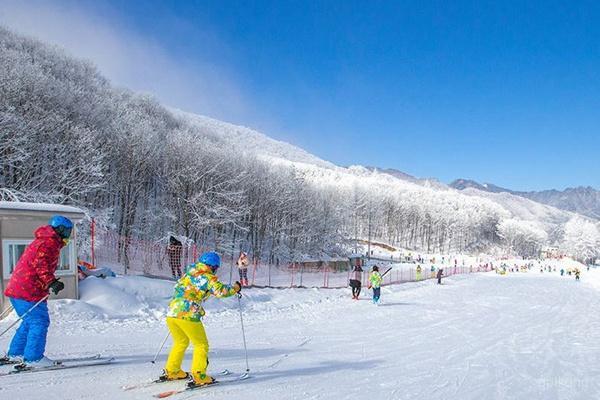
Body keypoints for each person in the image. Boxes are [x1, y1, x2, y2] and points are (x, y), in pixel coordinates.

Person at [160, 251, 241, 388]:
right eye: (215, 268)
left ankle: (172, 371)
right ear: (213, 266)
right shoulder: (207, 276)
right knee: (201, 344)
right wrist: (235, 288)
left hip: (172, 313)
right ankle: (199, 375)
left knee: (181, 342)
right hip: (188, 314)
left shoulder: (189, 273)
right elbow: (221, 291)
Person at [2, 216, 71, 367]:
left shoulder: (47, 241)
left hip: (22, 289)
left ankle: (16, 353)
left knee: (30, 322)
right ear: (58, 229)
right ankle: (33, 358)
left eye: (69, 231)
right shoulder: (48, 243)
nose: (68, 235)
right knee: (39, 321)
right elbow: (41, 265)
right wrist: (51, 281)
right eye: (66, 231)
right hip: (28, 291)